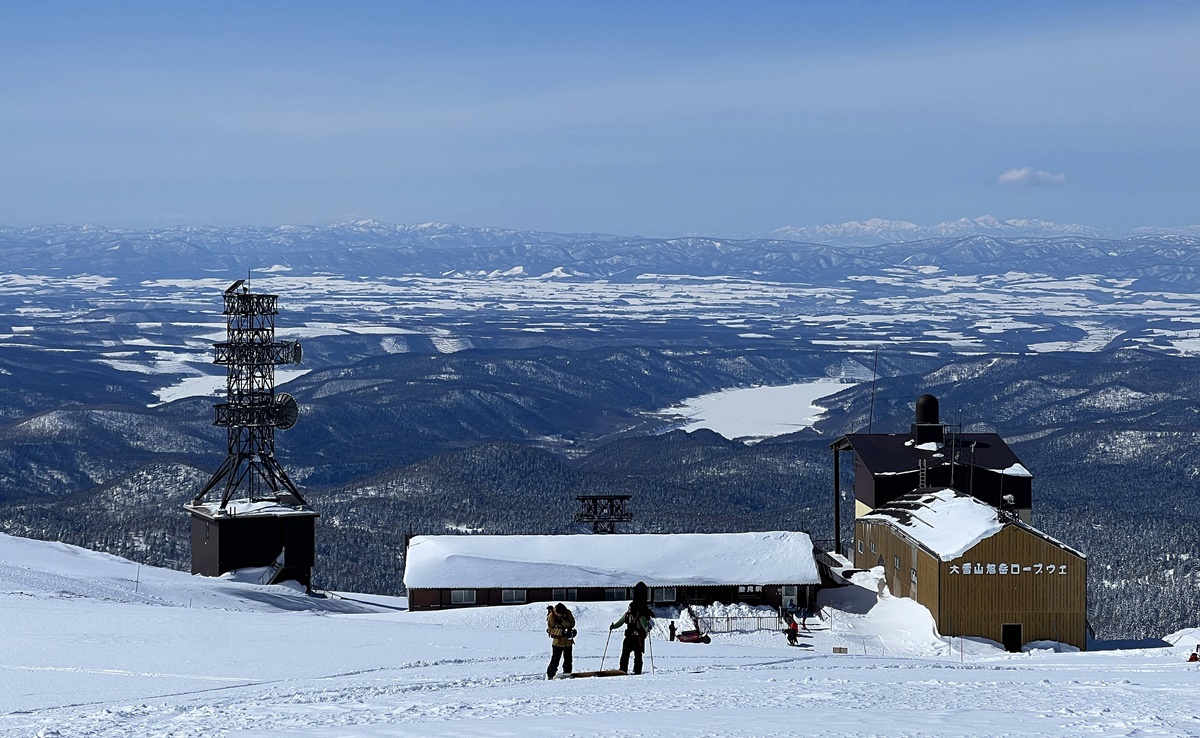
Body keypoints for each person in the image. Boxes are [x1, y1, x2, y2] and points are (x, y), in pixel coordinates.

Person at [609, 581, 654, 675]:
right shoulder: (627, 615)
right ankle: (623, 669)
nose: (629, 609)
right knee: (625, 654)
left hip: (637, 638)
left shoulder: (639, 616)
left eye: (630, 608)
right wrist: (614, 626)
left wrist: (647, 629)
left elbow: (644, 624)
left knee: (637, 655)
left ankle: (636, 671)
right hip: (630, 637)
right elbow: (620, 622)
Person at [546, 602, 575, 679]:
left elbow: (572, 623)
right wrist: (561, 632)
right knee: (555, 659)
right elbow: (550, 630)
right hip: (557, 642)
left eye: (563, 614)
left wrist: (569, 630)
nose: (561, 616)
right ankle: (550, 675)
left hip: (568, 641)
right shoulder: (551, 616)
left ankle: (567, 673)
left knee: (568, 659)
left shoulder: (568, 612)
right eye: (560, 615)